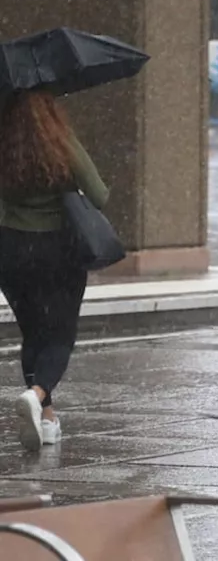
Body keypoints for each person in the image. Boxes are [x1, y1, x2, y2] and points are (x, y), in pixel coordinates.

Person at [0, 89, 109, 451]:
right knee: (60, 335)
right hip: (58, 250)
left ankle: (46, 419)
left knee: (33, 334)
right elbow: (99, 194)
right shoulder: (60, 140)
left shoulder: (4, 144)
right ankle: (37, 392)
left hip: (11, 250)